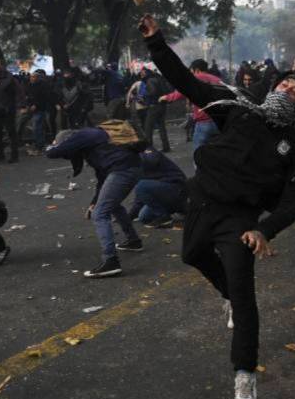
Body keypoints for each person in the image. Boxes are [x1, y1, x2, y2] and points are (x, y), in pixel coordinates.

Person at [140, 14, 295, 399]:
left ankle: (244, 375)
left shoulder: (294, 144)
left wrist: (263, 228)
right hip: (201, 202)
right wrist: (156, 43)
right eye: (286, 82)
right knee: (191, 256)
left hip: (241, 221)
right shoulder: (238, 109)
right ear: (274, 86)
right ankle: (227, 297)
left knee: (245, 295)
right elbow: (187, 82)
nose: (289, 88)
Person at [45, 127, 143, 278]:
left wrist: (52, 144)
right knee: (112, 205)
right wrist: (94, 202)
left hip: (122, 170)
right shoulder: (95, 148)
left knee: (100, 214)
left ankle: (111, 261)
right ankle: (133, 240)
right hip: (129, 168)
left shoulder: (83, 135)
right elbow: (102, 179)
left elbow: (52, 152)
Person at [159, 59, 222, 151]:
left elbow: (181, 92)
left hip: (203, 122)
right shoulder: (217, 79)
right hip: (219, 122)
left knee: (198, 153)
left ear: (196, 70)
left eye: (191, 71)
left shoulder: (194, 79)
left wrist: (166, 97)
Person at [128, 147, 187, 228]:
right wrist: (130, 216)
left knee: (142, 186)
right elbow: (140, 196)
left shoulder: (147, 151)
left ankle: (164, 216)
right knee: (144, 217)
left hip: (176, 187)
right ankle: (178, 210)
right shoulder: (135, 166)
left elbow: (152, 160)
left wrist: (136, 156)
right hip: (163, 193)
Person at [143, 71, 172, 152]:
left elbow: (152, 91)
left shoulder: (150, 80)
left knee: (148, 127)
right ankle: (166, 147)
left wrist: (145, 95)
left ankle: (149, 148)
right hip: (162, 105)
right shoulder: (161, 80)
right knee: (161, 127)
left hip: (154, 106)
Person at [25, 71, 52, 154]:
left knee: (37, 127)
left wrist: (36, 105)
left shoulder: (41, 86)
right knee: (36, 127)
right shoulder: (30, 85)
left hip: (40, 109)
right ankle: (38, 144)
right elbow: (30, 96)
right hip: (33, 108)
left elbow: (43, 97)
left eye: (33, 77)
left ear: (37, 78)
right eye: (31, 77)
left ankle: (39, 146)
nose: (31, 78)